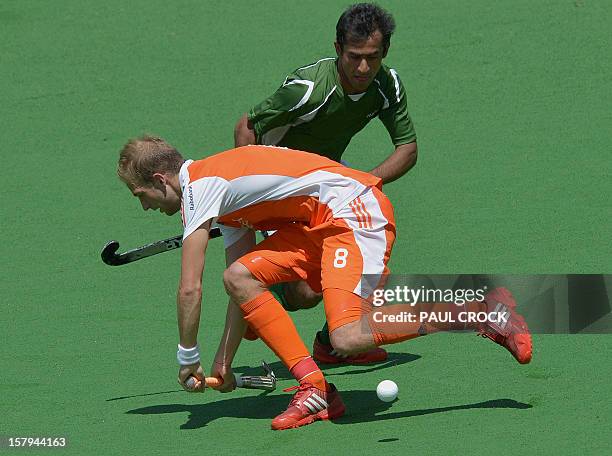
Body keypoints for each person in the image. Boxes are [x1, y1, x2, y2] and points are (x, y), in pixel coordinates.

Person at [116, 136, 532, 430]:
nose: (146, 207)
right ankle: (315, 389)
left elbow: (190, 288)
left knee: (347, 337)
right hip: (319, 225)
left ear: (160, 180)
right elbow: (239, 289)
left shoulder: (201, 190)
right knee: (239, 275)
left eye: (140, 196)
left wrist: (188, 355)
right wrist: (223, 361)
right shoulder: (220, 201)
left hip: (352, 213)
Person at [234, 3, 418, 365]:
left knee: (370, 260)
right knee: (304, 293)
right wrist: (249, 198)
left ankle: (330, 344)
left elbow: (407, 149)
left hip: (329, 182)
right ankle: (264, 294)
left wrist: (365, 184)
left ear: (385, 52)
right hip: (280, 186)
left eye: (372, 57)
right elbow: (246, 127)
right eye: (354, 57)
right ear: (337, 49)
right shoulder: (307, 90)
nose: (363, 68)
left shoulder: (387, 84)